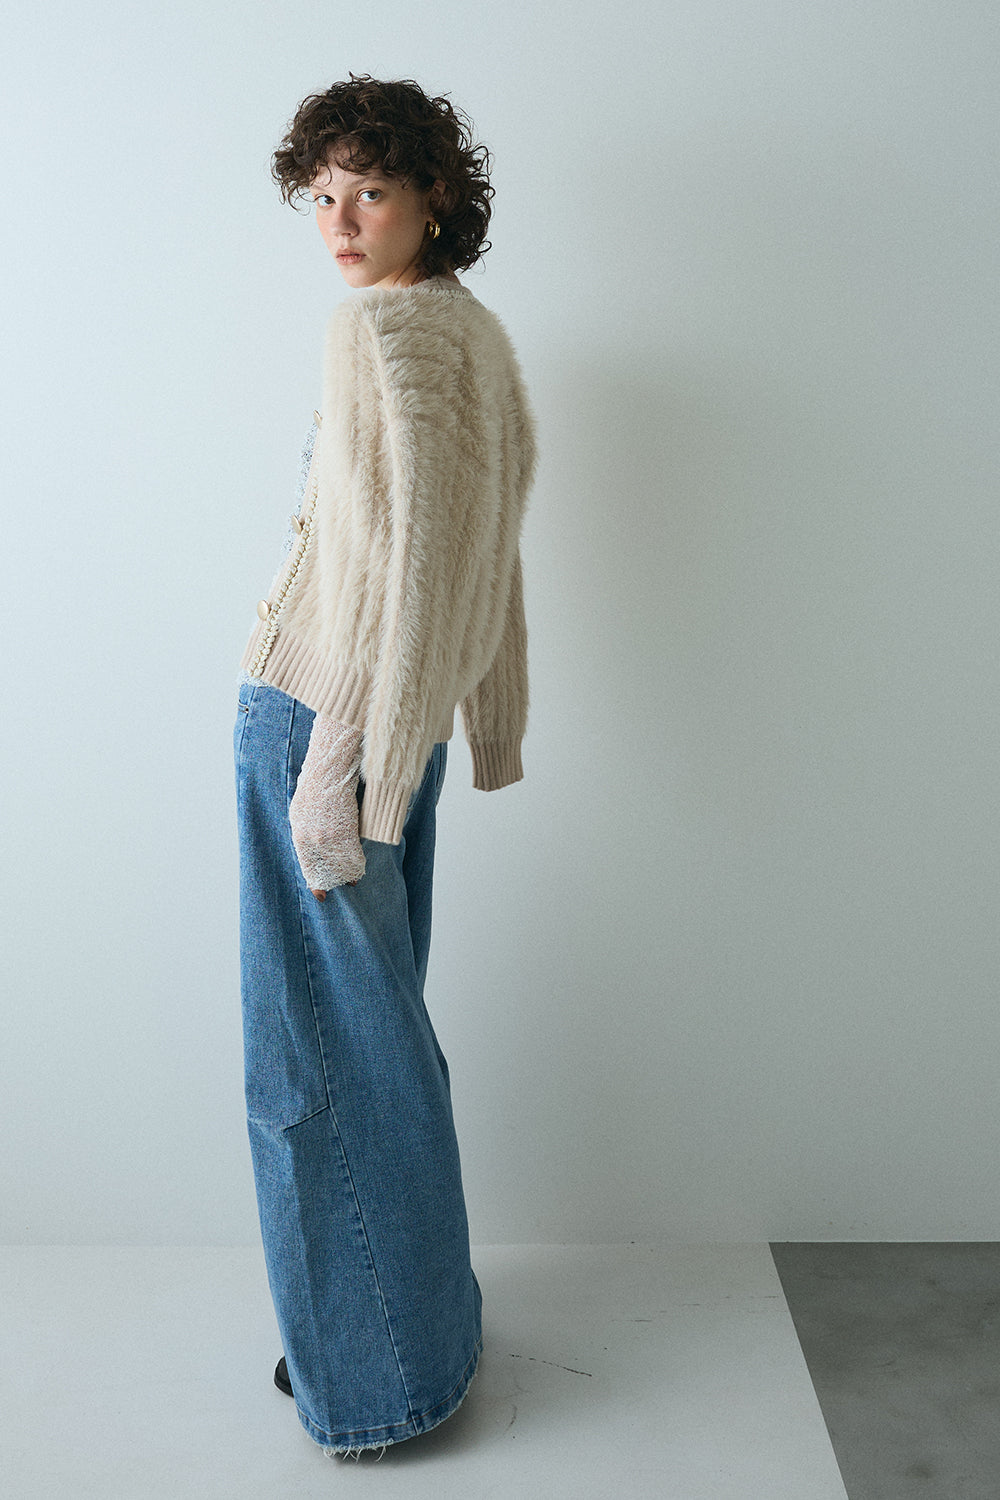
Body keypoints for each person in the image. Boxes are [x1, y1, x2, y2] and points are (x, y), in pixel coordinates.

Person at [233, 74, 538, 1458]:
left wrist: (336, 770)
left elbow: (396, 586)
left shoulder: (378, 339)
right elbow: (483, 553)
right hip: (390, 732)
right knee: (381, 1037)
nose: (343, 223)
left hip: (327, 725)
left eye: (371, 191)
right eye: (322, 196)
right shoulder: (469, 335)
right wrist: (479, 723)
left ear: (434, 198)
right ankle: (408, 1330)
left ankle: (379, 1378)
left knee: (317, 1060)